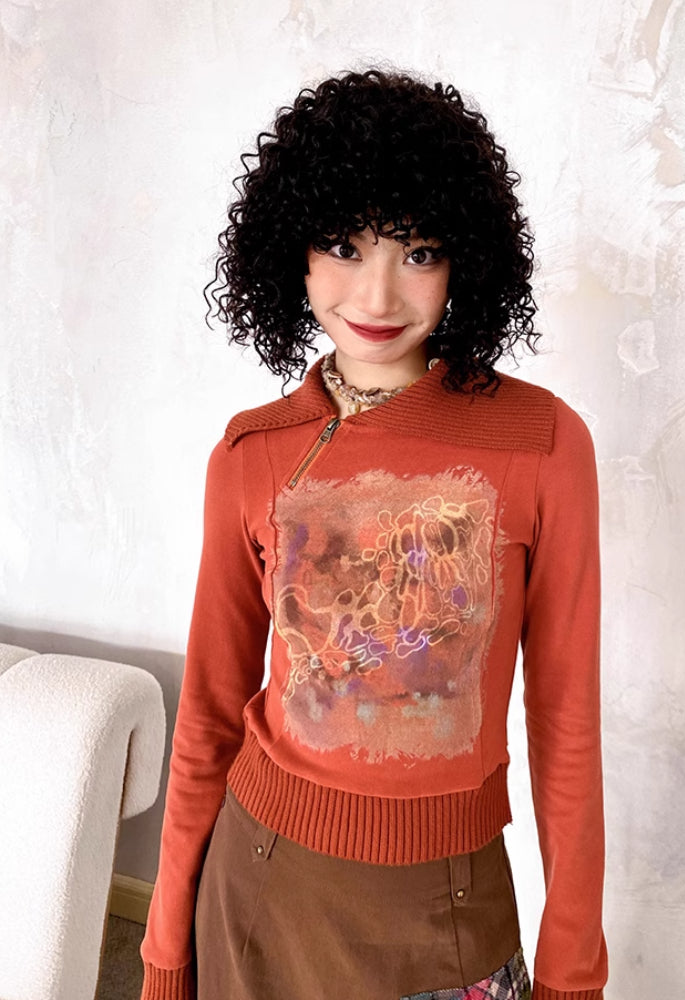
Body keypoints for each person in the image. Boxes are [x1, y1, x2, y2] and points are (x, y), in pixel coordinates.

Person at [139, 68, 608, 1000]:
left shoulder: (543, 444)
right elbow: (209, 714)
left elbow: (566, 728)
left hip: (448, 918)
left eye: (419, 250)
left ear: (465, 259)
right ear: (295, 253)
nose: (378, 292)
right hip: (256, 893)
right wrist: (162, 949)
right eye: (343, 245)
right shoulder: (252, 452)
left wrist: (572, 968)